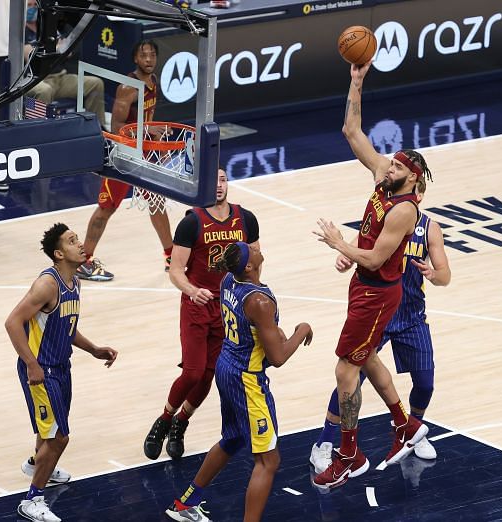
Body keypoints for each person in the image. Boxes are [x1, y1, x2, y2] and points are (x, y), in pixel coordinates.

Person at [311, 61, 433, 490]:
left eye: (398, 165)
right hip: (366, 287)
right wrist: (356, 83)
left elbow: (378, 256)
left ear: (412, 178)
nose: (389, 165)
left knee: (347, 371)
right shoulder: (384, 178)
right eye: (391, 162)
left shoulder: (405, 209)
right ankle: (405, 425)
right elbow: (352, 132)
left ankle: (349, 453)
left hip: (378, 293)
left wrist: (339, 244)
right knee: (370, 358)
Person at [310, 177, 450, 473]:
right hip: (382, 313)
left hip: (411, 316)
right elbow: (366, 253)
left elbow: (446, 275)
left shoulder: (428, 229)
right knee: (351, 376)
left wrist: (433, 274)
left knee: (425, 382)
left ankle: (412, 429)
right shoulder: (387, 219)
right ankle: (324, 441)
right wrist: (345, 256)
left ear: (421, 197)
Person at [165, 241, 313, 522]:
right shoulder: (259, 301)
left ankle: (186, 503)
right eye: (251, 250)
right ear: (248, 265)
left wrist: (274, 331)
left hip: (227, 365)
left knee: (232, 438)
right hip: (247, 379)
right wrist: (300, 330)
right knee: (269, 461)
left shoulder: (228, 281)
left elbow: (253, 327)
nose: (256, 248)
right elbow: (278, 357)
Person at [143, 167, 259, 461]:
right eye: (213, 180)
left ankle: (182, 422)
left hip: (228, 307)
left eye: (222, 179)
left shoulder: (246, 219)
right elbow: (175, 270)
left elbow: (255, 262)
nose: (218, 185)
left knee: (209, 375)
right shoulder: (191, 222)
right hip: (196, 305)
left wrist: (250, 294)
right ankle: (164, 420)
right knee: (193, 371)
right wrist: (192, 290)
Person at [5, 223, 118, 522]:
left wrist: (93, 349)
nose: (80, 244)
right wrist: (32, 364)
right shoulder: (48, 284)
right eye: (72, 241)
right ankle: (32, 500)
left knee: (51, 428)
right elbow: (12, 323)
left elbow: (65, 327)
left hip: (61, 366)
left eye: (77, 239)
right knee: (59, 438)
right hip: (41, 369)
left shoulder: (75, 282)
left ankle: (37, 464)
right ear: (58, 253)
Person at [75, 39, 174, 281]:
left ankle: (171, 255)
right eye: (144, 55)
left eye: (152, 55)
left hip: (143, 150)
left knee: (156, 202)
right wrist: (147, 132)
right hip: (123, 152)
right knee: (106, 208)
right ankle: (83, 261)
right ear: (135, 60)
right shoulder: (128, 87)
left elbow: (147, 118)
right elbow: (117, 125)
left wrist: (156, 139)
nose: (149, 59)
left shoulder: (153, 82)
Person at [24, 0, 105, 125]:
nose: (33, 8)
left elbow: (68, 51)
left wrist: (53, 50)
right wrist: (56, 48)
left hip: (59, 78)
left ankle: (97, 128)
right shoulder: (19, 31)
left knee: (96, 84)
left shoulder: (46, 25)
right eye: (29, 5)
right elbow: (29, 55)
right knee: (44, 91)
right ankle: (36, 132)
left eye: (35, 5)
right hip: (34, 81)